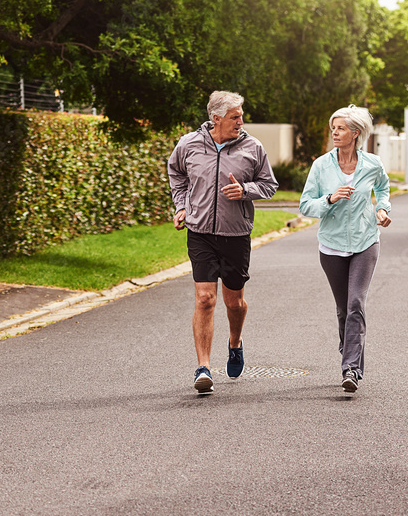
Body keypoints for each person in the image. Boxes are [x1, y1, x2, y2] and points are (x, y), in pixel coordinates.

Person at [167, 91, 278, 393]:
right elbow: (176, 174)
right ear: (216, 119)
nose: (241, 121)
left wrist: (245, 190)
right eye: (235, 116)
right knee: (205, 299)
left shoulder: (252, 147)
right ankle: (203, 368)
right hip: (200, 232)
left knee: (234, 302)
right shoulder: (188, 144)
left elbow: (269, 185)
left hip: (235, 235)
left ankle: (235, 341)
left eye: (241, 115)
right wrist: (181, 206)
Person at [299, 105, 391, 393]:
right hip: (332, 246)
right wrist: (329, 199)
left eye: (340, 128)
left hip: (366, 242)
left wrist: (384, 209)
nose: (334, 133)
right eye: (333, 128)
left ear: (356, 133)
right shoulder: (321, 166)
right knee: (343, 309)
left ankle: (350, 369)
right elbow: (304, 205)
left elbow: (384, 190)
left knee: (355, 304)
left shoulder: (373, 164)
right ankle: (350, 351)